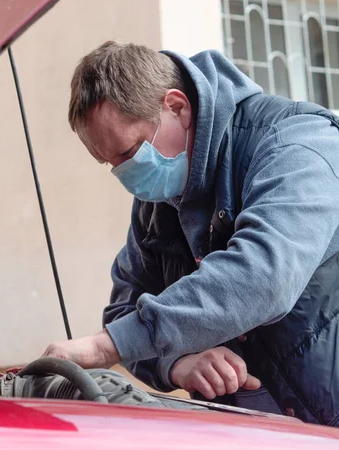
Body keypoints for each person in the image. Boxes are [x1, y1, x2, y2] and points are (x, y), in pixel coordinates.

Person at [42, 41, 339, 426]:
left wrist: (107, 346)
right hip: (260, 432)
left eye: (129, 152)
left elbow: (263, 276)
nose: (124, 175)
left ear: (177, 107)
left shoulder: (299, 144)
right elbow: (125, 308)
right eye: (109, 163)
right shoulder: (158, 202)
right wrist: (177, 361)